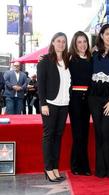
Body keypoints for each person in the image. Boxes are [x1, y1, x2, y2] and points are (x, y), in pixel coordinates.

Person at [88, 24, 109, 178]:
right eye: (107, 33)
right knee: (98, 132)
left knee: (106, 131)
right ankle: (100, 170)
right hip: (94, 98)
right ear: (101, 35)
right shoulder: (94, 54)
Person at [37, 32, 71, 182]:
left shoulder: (67, 60)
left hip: (64, 104)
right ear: (52, 42)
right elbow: (41, 85)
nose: (61, 44)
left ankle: (55, 167)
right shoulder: (44, 61)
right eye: (58, 41)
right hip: (50, 104)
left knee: (58, 137)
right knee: (48, 137)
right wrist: (43, 103)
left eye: (64, 41)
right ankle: (48, 168)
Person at [69, 31, 93, 176]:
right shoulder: (70, 59)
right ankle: (76, 165)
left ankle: (84, 165)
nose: (82, 44)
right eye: (79, 42)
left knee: (85, 133)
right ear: (75, 44)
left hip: (88, 99)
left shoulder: (92, 58)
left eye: (84, 41)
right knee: (77, 134)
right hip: (75, 100)